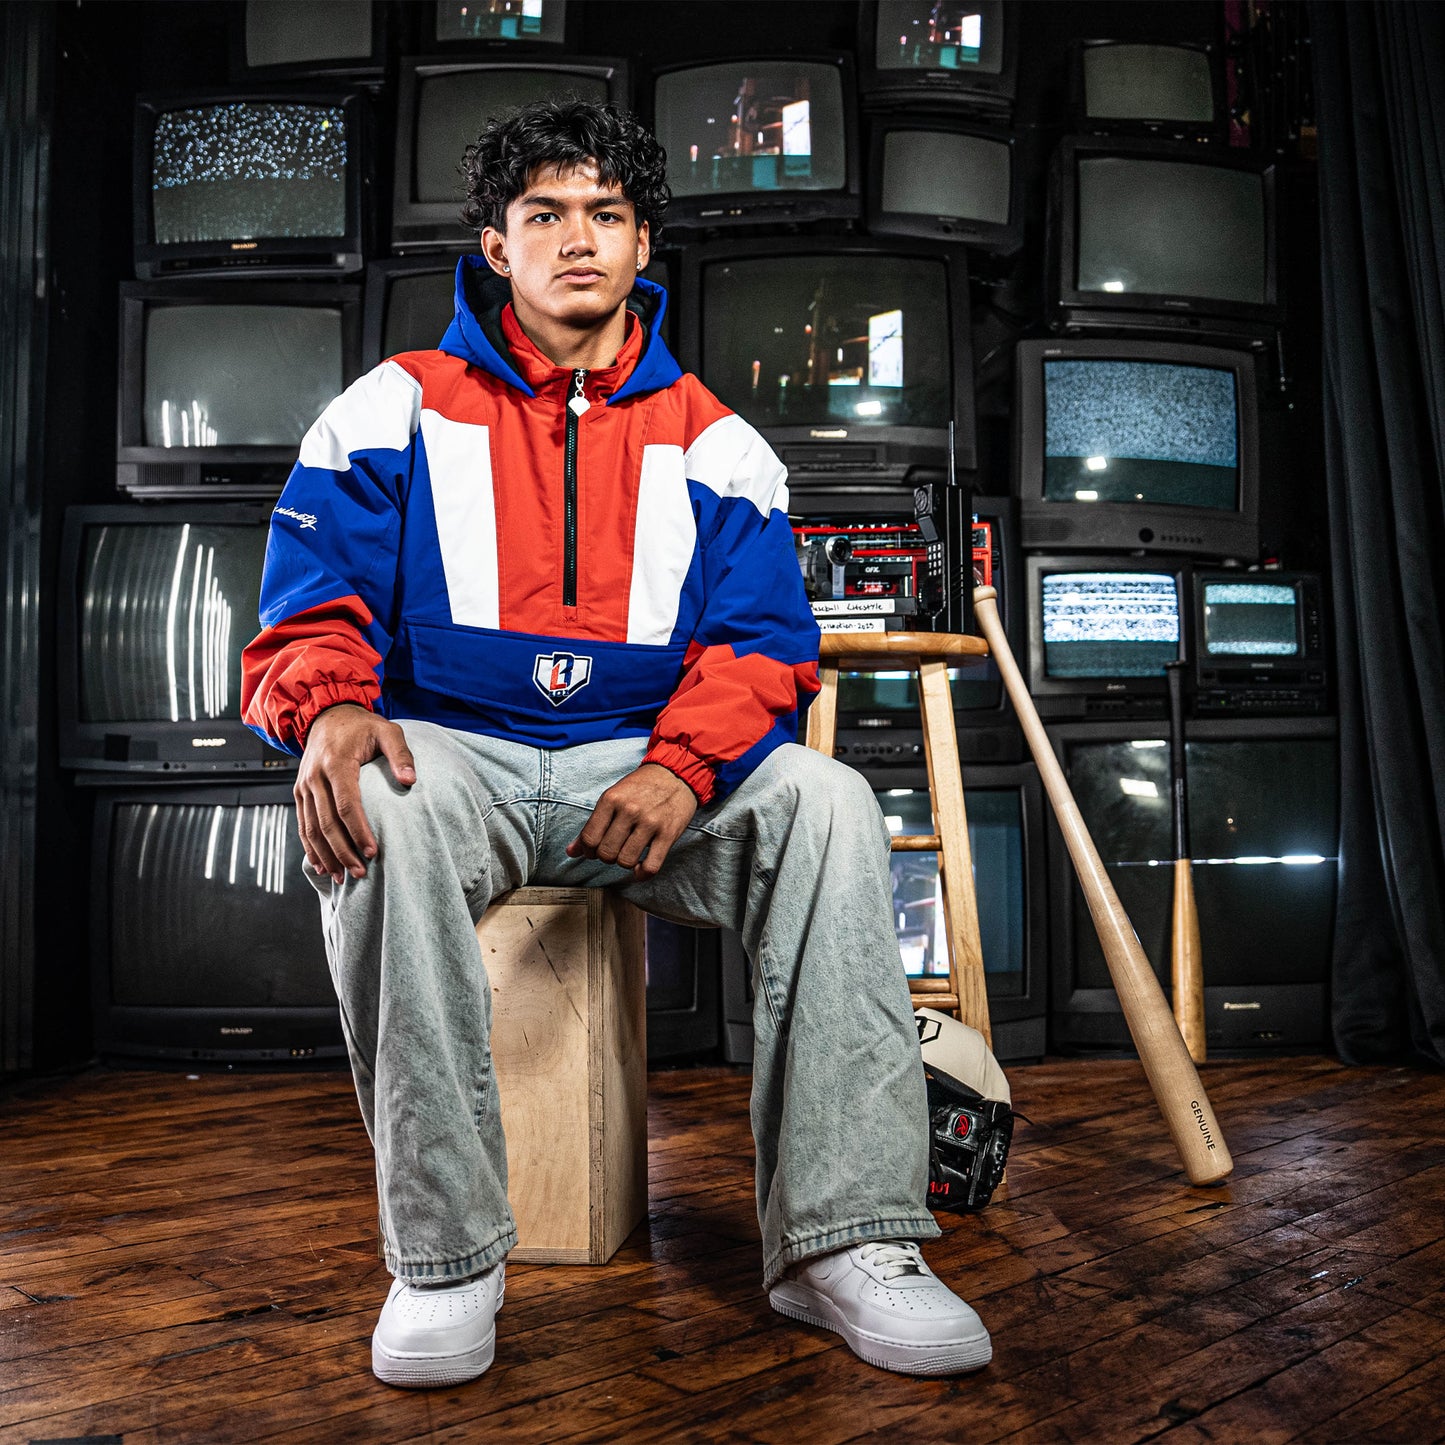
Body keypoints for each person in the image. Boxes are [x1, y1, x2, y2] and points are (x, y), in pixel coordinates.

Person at [241, 98, 991, 1389]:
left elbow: (761, 642)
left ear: (643, 242)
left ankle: (841, 1241)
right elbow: (311, 602)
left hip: (630, 776)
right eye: (545, 214)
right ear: (495, 241)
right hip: (457, 761)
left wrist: (680, 762)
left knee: (822, 800)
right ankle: (445, 1257)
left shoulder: (718, 441)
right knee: (369, 788)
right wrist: (330, 705)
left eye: (605, 214)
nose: (576, 239)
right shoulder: (389, 408)